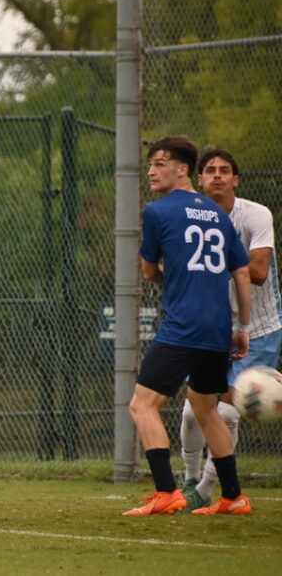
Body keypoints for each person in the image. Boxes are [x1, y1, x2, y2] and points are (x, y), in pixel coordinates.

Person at [125, 135, 252, 516]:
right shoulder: (219, 215)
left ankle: (167, 492)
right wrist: (242, 326)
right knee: (205, 408)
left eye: (160, 163)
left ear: (183, 169)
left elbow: (149, 272)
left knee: (142, 405)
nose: (151, 170)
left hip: (183, 326)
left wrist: (172, 277)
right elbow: (241, 272)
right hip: (217, 327)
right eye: (150, 163)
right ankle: (233, 497)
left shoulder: (158, 211)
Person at [179, 149, 281, 511]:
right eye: (210, 171)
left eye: (225, 171)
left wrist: (214, 247)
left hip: (259, 328)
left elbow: (257, 273)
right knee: (193, 411)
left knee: (225, 412)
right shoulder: (190, 218)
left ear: (235, 180)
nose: (218, 176)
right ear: (200, 180)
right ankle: (189, 479)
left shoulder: (255, 215)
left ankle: (208, 492)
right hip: (211, 326)